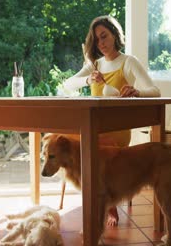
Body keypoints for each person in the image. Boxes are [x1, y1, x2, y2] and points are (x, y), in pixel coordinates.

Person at [62, 15, 160, 226]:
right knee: (65, 141)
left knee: (92, 146)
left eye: (104, 36)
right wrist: (88, 79)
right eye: (97, 39)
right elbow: (68, 85)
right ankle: (98, 198)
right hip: (93, 128)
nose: (101, 43)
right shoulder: (95, 65)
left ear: (115, 35)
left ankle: (106, 204)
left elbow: (155, 91)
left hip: (117, 129)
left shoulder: (127, 62)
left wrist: (137, 92)